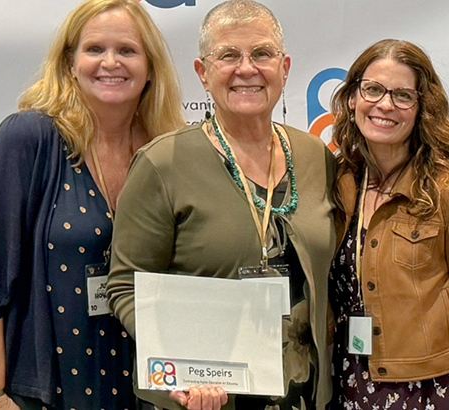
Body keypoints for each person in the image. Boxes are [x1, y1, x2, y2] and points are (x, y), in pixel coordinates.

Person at [106, 1, 336, 410]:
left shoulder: (317, 156)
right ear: (203, 73)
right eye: (228, 55)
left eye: (261, 54)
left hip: (304, 393)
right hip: (208, 398)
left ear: (284, 68)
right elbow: (126, 285)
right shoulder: (164, 164)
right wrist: (181, 366)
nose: (246, 69)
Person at [0, 1, 185, 409]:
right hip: (42, 391)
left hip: (148, 388)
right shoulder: (29, 138)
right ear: (69, 64)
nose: (110, 62)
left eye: (127, 50)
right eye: (95, 49)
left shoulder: (168, 152)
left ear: (150, 68)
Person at [328, 39, 449, 410]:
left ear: (422, 109)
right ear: (353, 98)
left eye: (403, 96)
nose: (385, 105)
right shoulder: (339, 184)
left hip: (432, 392)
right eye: (372, 89)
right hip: (350, 383)